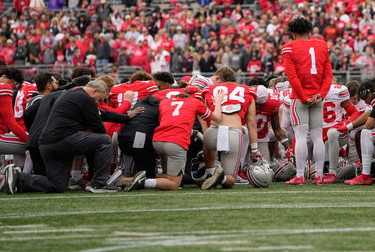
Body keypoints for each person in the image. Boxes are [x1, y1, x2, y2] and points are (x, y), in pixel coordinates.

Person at [3, 80, 133, 195]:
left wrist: (126, 117)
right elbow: (98, 127)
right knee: (104, 140)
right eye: (99, 99)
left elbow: (102, 114)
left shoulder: (71, 94)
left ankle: (18, 178)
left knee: (57, 186)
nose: (98, 102)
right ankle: (99, 184)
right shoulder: (85, 98)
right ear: (94, 91)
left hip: (47, 144)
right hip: (62, 140)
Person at [123, 86, 224, 191]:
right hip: (175, 142)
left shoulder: (164, 102)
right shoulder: (194, 101)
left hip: (157, 141)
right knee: (174, 184)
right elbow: (217, 118)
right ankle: (143, 182)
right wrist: (218, 102)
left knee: (168, 176)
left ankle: (125, 180)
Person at [281, 17, 333, 185]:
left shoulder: (289, 47)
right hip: (318, 97)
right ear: (309, 30)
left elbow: (292, 75)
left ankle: (300, 175)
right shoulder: (322, 45)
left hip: (300, 97)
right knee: (318, 137)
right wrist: (321, 94)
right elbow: (328, 75)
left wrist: (303, 95)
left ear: (293, 33)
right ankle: (318, 175)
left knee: (301, 136)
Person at [200, 75, 258, 190]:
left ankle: (209, 171)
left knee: (209, 141)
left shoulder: (209, 90)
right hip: (233, 134)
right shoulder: (248, 91)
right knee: (230, 180)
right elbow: (251, 123)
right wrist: (254, 150)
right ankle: (222, 178)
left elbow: (204, 117)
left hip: (212, 133)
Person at [0, 68, 28, 168]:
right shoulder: (5, 87)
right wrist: (28, 139)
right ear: (12, 81)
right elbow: (11, 123)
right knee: (33, 145)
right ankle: (21, 177)